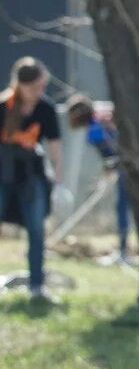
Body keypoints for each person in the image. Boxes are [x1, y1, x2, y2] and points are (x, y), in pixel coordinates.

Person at [0, 58, 63, 302]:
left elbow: (55, 146)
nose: (39, 91)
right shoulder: (4, 106)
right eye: (34, 87)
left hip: (30, 175)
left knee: (36, 229)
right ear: (21, 85)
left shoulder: (46, 109)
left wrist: (59, 181)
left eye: (41, 86)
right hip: (2, 172)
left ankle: (37, 287)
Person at [65, 94, 131, 262]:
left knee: (122, 208)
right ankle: (124, 250)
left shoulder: (94, 131)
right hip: (128, 167)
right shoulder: (101, 119)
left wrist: (108, 171)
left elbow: (111, 155)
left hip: (127, 171)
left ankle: (124, 251)